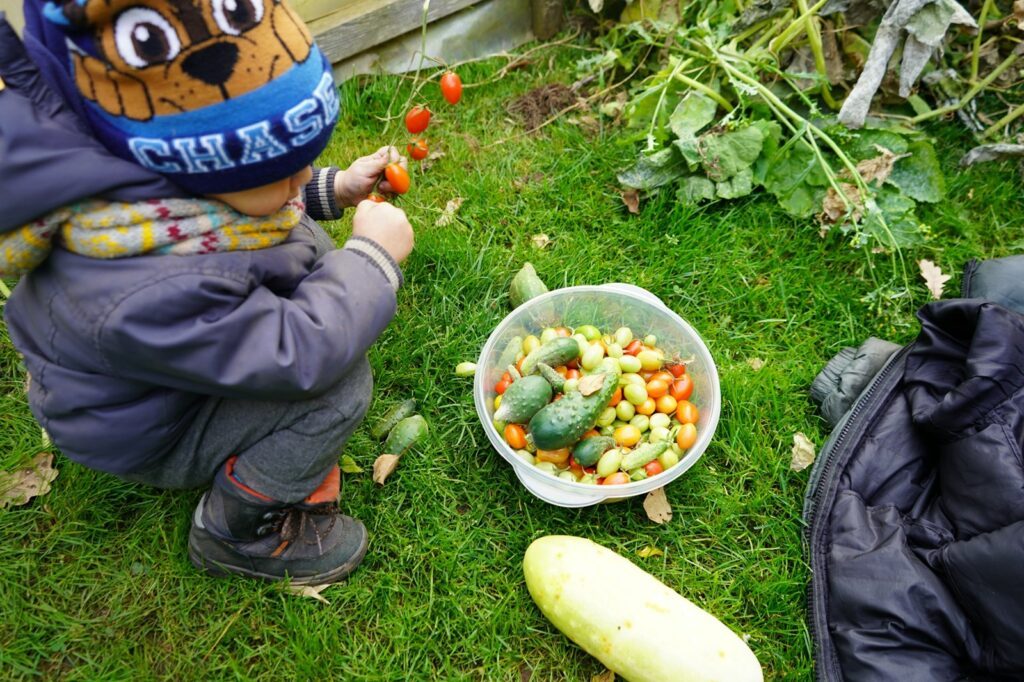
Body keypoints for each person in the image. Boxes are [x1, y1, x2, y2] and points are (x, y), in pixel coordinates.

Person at [0, 0, 414, 585]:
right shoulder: (144, 282)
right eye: (287, 173)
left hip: (167, 371)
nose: (302, 177)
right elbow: (295, 354)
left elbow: (263, 212)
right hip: (152, 425)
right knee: (338, 389)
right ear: (203, 177)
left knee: (302, 235)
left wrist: (334, 189)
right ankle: (237, 531)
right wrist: (371, 261)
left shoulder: (158, 185)